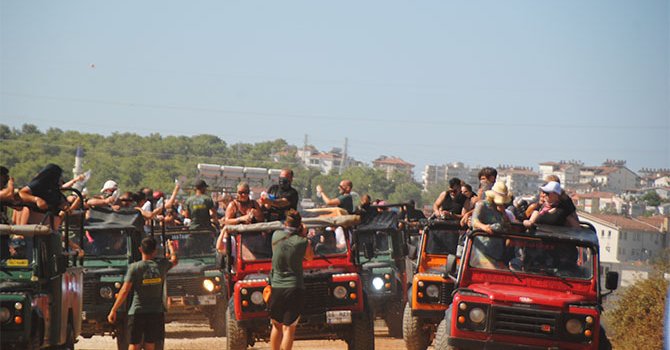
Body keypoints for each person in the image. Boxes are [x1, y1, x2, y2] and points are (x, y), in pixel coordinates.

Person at [107, 237, 178, 350]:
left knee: (134, 344)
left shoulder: (134, 268)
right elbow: (174, 260)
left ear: (140, 249)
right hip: (155, 312)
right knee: (150, 343)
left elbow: (124, 291)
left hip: (137, 311)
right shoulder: (162, 265)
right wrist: (171, 248)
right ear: (155, 251)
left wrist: (114, 309)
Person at [268, 209, 313, 350]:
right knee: (289, 329)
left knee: (276, 325)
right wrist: (304, 234)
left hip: (275, 287)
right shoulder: (302, 241)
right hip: (294, 287)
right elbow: (310, 257)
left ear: (285, 223)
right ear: (300, 225)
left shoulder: (275, 236)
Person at [470, 181, 515, 269]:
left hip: (496, 251)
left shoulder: (500, 210)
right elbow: (474, 221)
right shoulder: (482, 205)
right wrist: (484, 227)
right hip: (482, 249)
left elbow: (507, 226)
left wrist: (503, 213)